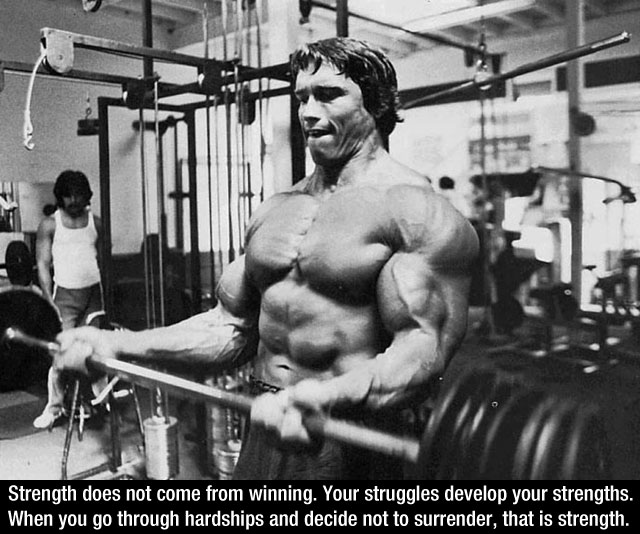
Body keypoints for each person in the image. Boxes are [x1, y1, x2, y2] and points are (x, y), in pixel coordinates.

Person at [54, 38, 479, 479]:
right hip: (266, 420)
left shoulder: (414, 209)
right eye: (302, 97)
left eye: (328, 95)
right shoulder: (276, 209)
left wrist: (329, 395)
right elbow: (230, 328)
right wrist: (119, 345)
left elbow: (423, 347)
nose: (308, 112)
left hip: (348, 434)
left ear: (376, 104)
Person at [33, 170, 104, 429]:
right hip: (65, 296)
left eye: (78, 195)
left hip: (93, 294)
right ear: (60, 197)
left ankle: (93, 401)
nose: (73, 201)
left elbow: (104, 260)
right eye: (68, 196)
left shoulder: (96, 222)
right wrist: (48, 299)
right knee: (61, 353)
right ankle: (54, 408)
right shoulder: (50, 224)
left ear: (87, 196)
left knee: (93, 350)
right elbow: (42, 264)